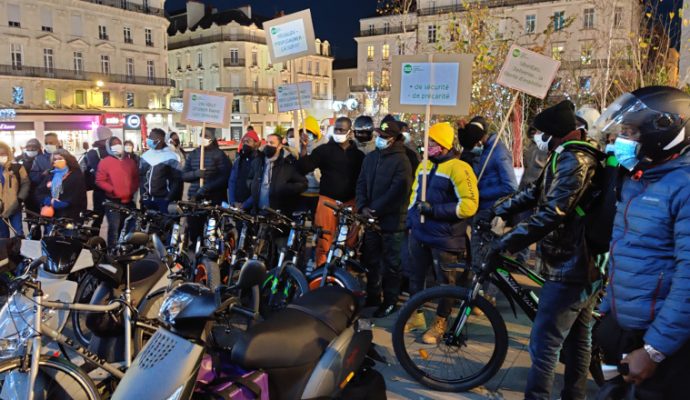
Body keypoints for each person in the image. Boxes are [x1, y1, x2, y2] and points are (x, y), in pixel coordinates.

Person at [481, 100, 604, 400]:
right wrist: (501, 208)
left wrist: (507, 242)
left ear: (556, 134)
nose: (538, 138)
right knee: (577, 340)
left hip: (572, 265)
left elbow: (553, 212)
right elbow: (535, 193)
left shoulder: (574, 160)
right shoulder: (563, 154)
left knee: (545, 342)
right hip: (577, 262)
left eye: (542, 133)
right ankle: (574, 395)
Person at [594, 87, 690, 399]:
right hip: (628, 331)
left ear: (662, 132)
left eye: (631, 132)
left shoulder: (683, 187)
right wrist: (607, 311)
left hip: (664, 344)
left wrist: (655, 349)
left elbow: (688, 277)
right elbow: (623, 251)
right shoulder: (638, 179)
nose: (622, 141)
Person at [405, 123, 479, 342]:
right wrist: (411, 220)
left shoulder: (460, 168)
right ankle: (415, 316)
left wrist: (435, 210)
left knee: (445, 283)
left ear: (444, 145)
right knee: (415, 277)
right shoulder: (424, 165)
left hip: (446, 238)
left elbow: (469, 204)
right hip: (420, 234)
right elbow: (414, 196)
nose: (428, 146)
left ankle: (440, 322)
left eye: (433, 142)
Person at [356, 120, 413, 317]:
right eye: (379, 134)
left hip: (392, 221)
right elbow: (361, 182)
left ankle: (390, 300)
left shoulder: (402, 161)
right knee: (371, 260)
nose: (380, 139)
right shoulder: (371, 158)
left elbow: (398, 191)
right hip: (371, 220)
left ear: (396, 139)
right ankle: (373, 295)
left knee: (391, 264)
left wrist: (375, 209)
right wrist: (363, 206)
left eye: (385, 136)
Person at [298, 116, 365, 267]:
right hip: (327, 202)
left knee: (350, 242)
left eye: (342, 130)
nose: (338, 132)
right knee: (324, 241)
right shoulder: (323, 151)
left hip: (351, 202)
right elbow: (304, 167)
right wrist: (303, 149)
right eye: (336, 129)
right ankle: (321, 273)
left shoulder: (359, 155)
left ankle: (344, 274)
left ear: (350, 132)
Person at [182, 127, 231, 243]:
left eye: (207, 136)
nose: (203, 138)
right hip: (195, 198)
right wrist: (196, 174)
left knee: (212, 230)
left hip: (213, 198)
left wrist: (207, 187)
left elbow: (225, 177)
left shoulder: (219, 155)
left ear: (212, 138)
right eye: (201, 135)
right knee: (194, 228)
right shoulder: (193, 154)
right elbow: (183, 175)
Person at [246, 133, 307, 215]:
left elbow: (303, 183)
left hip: (278, 214)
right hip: (258, 212)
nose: (268, 145)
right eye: (267, 142)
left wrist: (285, 188)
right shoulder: (258, 161)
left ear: (279, 146)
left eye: (271, 143)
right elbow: (249, 178)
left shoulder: (288, 164)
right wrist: (253, 186)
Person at [95, 136, 139, 248]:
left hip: (129, 201)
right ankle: (112, 252)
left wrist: (132, 189)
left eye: (119, 143)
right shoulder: (104, 162)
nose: (117, 146)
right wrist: (112, 189)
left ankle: (125, 249)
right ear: (109, 147)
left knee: (129, 228)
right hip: (113, 201)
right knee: (114, 228)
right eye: (114, 144)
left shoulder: (130, 161)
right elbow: (100, 180)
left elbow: (135, 178)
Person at [470, 116, 518, 212]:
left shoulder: (499, 152)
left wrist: (479, 194)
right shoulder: (482, 150)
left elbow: (510, 187)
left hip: (493, 209)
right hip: (481, 207)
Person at [139, 128, 182, 213]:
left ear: (160, 140)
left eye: (152, 137)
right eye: (149, 137)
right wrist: (142, 196)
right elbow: (142, 178)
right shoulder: (145, 156)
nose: (149, 140)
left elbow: (177, 181)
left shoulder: (171, 157)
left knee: (165, 224)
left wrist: (169, 198)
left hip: (164, 200)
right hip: (147, 200)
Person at [81, 126, 113, 230]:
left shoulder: (91, 153)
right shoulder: (110, 151)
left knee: (97, 217)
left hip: (99, 189)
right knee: (113, 219)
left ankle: (94, 242)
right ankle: (114, 243)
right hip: (112, 190)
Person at [294, 116, 328, 213]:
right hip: (303, 191)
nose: (306, 135)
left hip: (319, 192)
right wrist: (303, 147)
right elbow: (302, 164)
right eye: (303, 132)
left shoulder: (324, 145)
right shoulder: (298, 145)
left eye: (309, 132)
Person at [43, 149, 87, 220]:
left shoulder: (76, 174)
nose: (57, 161)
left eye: (60, 159)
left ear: (67, 159)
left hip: (71, 214)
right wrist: (47, 200)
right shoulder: (50, 174)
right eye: (55, 159)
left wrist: (65, 202)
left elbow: (78, 194)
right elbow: (40, 191)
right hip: (52, 214)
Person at [0, 141, 29, 238]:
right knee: (3, 237)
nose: (1, 156)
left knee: (19, 234)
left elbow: (25, 183)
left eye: (3, 154)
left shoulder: (17, 167)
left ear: (8, 154)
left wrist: (20, 199)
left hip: (14, 206)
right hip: (0, 210)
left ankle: (20, 253)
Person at [16, 139, 51, 215]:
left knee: (46, 217)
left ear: (39, 148)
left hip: (43, 192)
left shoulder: (44, 159)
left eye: (34, 147)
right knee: (32, 218)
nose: (31, 149)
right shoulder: (19, 159)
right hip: (28, 193)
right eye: (29, 147)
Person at [228, 130, 261, 209]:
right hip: (237, 204)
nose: (245, 143)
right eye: (244, 141)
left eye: (248, 141)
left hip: (253, 207)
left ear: (256, 143)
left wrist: (245, 204)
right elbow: (232, 181)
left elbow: (259, 187)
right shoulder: (238, 160)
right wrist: (233, 201)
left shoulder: (260, 160)